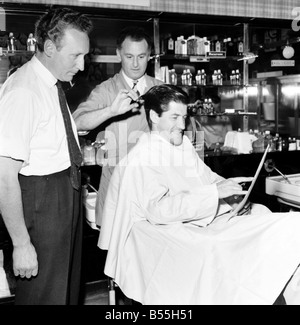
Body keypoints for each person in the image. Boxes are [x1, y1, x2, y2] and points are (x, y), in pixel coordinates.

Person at [98, 84, 300, 305]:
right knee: (220, 247)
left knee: (282, 221)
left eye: (184, 117)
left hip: (197, 219)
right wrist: (214, 194)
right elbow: (158, 210)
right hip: (166, 232)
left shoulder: (181, 144)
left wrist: (230, 189)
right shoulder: (143, 157)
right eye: (174, 117)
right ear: (154, 116)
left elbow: (207, 177)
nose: (182, 125)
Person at [0, 8, 93, 305]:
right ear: (50, 48)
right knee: (45, 296)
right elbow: (3, 177)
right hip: (43, 202)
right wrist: (21, 243)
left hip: (65, 193)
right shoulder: (23, 91)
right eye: (75, 56)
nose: (82, 65)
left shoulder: (51, 85)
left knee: (65, 291)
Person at [73, 26, 163, 227]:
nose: (135, 63)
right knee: (116, 250)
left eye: (141, 56)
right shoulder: (106, 90)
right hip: (117, 183)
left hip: (153, 183)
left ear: (149, 56)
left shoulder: (160, 89)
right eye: (129, 56)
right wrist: (110, 111)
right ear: (118, 54)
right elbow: (77, 122)